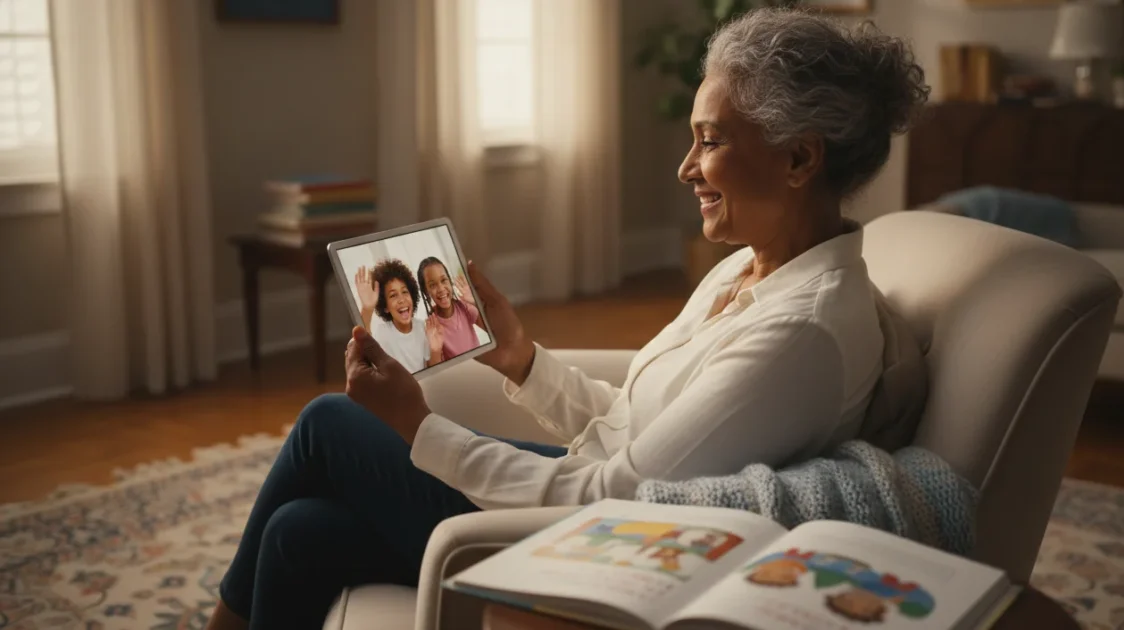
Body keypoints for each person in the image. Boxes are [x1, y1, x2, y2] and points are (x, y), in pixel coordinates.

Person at [206, 7, 929, 629]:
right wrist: (519, 355)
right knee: (301, 533)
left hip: (596, 548)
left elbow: (616, 499)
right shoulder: (749, 267)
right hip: (591, 499)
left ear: (800, 158)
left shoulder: (803, 331)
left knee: (328, 425)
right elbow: (632, 429)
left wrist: (416, 426)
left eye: (709, 141)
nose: (685, 168)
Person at [354, 259, 443, 373]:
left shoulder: (422, 327)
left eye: (405, 292)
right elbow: (365, 346)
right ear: (385, 307)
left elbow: (433, 370)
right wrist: (367, 309)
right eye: (393, 295)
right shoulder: (383, 332)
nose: (401, 300)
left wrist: (435, 350)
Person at [416, 256, 487, 360]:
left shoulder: (465, 307)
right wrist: (434, 350)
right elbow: (437, 366)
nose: (441, 289)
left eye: (444, 280)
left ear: (450, 281)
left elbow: (491, 331)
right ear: (426, 292)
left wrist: (475, 302)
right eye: (432, 285)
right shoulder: (431, 327)